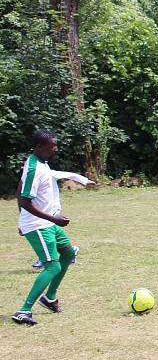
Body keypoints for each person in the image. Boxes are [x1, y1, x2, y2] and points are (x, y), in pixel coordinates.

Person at [12, 129, 96, 325]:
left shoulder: (41, 163)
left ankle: (49, 298)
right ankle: (24, 310)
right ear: (40, 147)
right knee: (52, 266)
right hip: (39, 224)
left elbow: (22, 187)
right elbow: (24, 201)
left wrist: (80, 179)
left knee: (68, 255)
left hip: (48, 222)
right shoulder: (33, 168)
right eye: (52, 146)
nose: (55, 149)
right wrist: (44, 219)